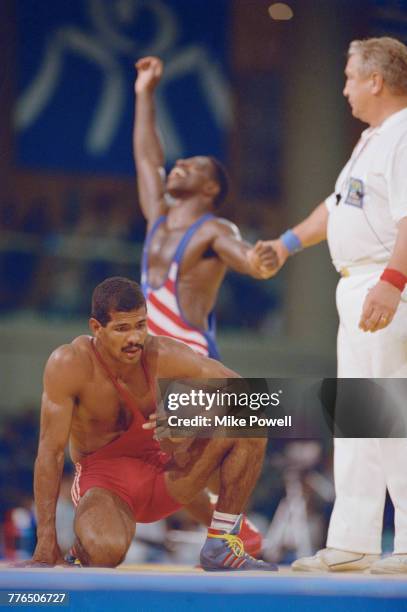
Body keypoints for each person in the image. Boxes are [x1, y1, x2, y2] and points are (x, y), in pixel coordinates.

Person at [265, 37, 407, 574]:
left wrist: (393, 281)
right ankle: (354, 541)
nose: (344, 87)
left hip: (386, 282)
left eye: (350, 77)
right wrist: (286, 244)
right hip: (357, 285)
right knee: (357, 420)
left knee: (392, 414)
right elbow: (336, 207)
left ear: (376, 80)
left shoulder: (404, 135)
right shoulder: (372, 139)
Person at [30, 276, 277, 571]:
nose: (135, 338)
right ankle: (80, 550)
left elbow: (249, 395)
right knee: (104, 553)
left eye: (141, 325)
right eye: (122, 328)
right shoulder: (70, 363)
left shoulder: (163, 354)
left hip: (164, 475)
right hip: (104, 482)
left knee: (248, 420)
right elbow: (50, 453)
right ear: (96, 328)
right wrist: (46, 542)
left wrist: (189, 413)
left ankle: (221, 543)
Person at [134, 56, 277, 359]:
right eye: (181, 161)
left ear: (211, 188)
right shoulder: (157, 215)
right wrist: (144, 94)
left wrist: (256, 261)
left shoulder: (213, 229)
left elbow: (241, 253)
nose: (180, 162)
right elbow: (148, 159)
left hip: (190, 356)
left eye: (193, 165)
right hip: (147, 357)